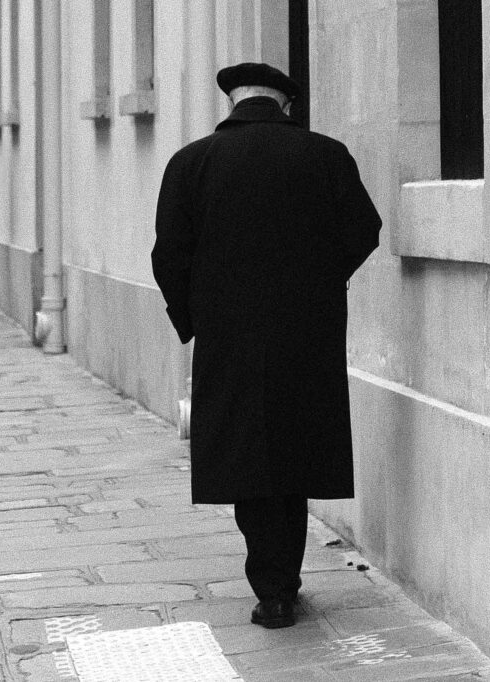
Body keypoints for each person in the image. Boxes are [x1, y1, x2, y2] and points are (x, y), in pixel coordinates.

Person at [152, 63, 382, 629]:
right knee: (295, 456)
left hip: (229, 337)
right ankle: (282, 583)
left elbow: (168, 256)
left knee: (247, 458)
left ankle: (272, 586)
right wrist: (322, 285)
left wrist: (195, 318)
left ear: (233, 102)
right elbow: (364, 230)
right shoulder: (327, 155)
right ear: (285, 105)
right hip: (307, 333)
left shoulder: (192, 162)